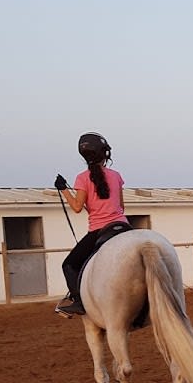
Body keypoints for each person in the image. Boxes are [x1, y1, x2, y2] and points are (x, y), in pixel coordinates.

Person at [53, 132, 130, 316]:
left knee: (69, 265)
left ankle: (79, 301)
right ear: (105, 155)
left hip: (99, 230)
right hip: (123, 226)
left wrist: (63, 189)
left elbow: (77, 207)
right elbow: (121, 207)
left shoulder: (82, 178)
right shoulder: (116, 176)